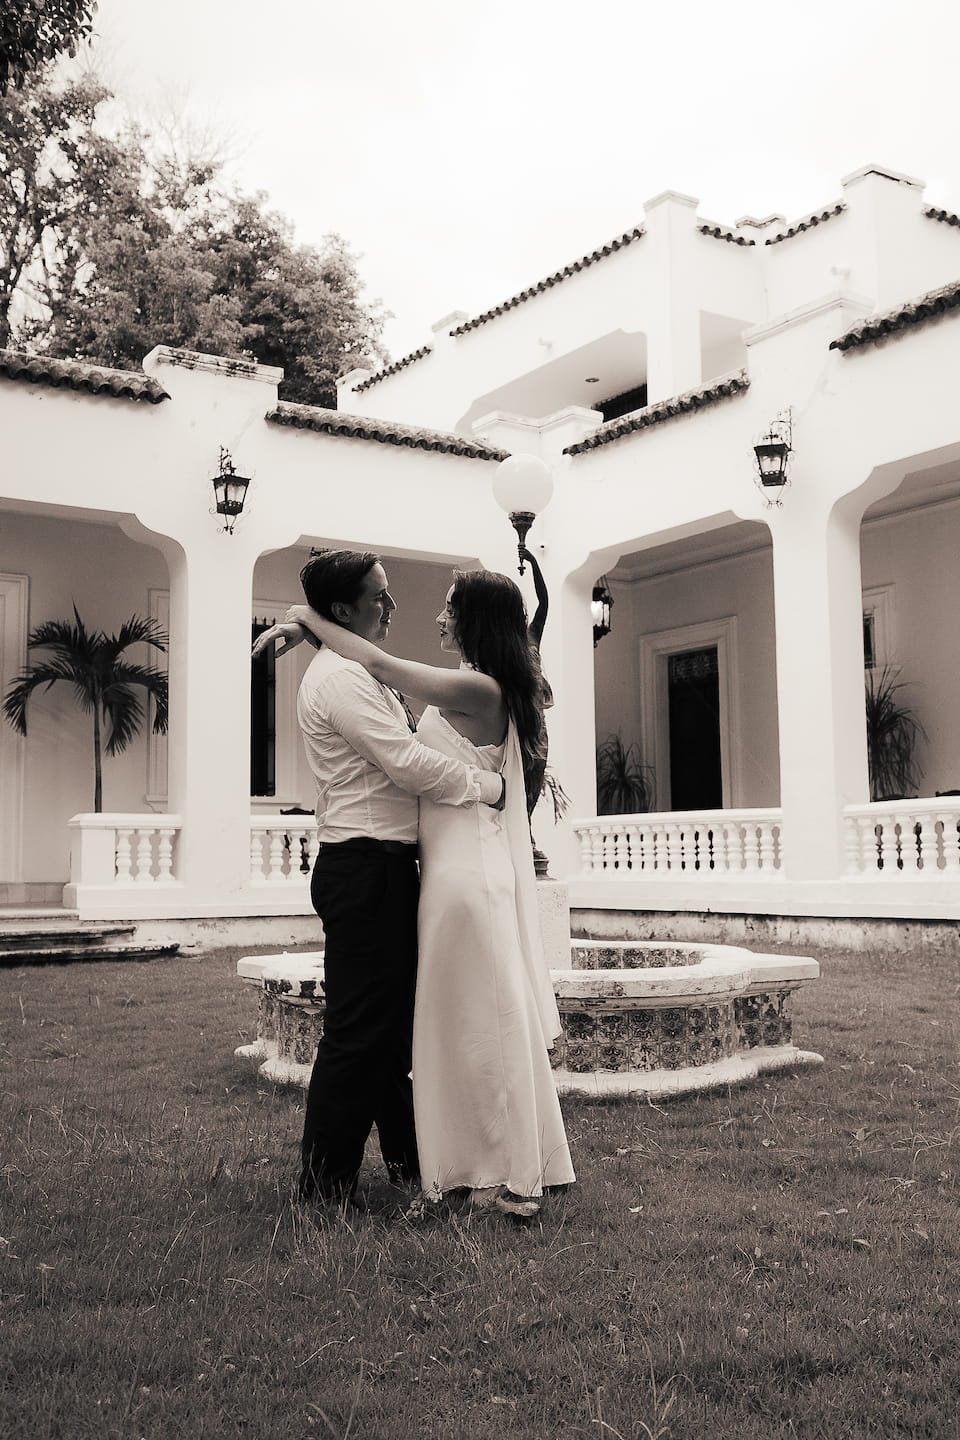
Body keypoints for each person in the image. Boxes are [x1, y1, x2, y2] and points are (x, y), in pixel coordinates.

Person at [276, 567, 576, 1218]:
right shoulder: (467, 683)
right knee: (441, 1025)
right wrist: (312, 628)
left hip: (464, 872)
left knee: (480, 1021)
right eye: (379, 595)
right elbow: (395, 719)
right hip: (434, 868)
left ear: (475, 622)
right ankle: (449, 1165)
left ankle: (505, 1172)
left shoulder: (475, 686)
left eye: (448, 608)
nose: (432, 615)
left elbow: (383, 669)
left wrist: (306, 622)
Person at [252, 550, 507, 1212]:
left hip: (383, 866)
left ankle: (410, 1166)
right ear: (344, 609)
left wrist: (304, 623)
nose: (391, 607)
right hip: (365, 867)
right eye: (379, 597)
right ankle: (322, 1188)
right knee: (358, 1034)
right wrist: (488, 787)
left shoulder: (355, 664)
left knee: (391, 1036)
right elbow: (405, 763)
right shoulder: (342, 680)